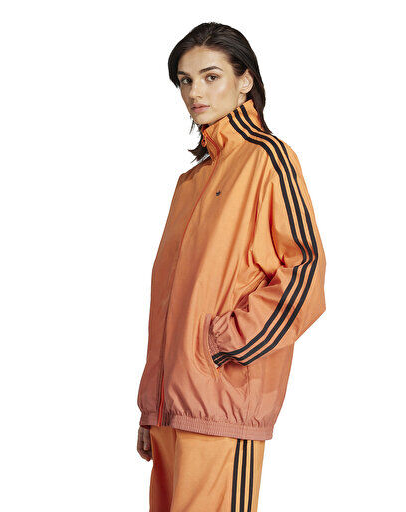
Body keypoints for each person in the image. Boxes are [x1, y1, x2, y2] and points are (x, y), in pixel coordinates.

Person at [136, 22, 327, 511]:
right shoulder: (192, 181)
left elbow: (304, 270)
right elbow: (173, 301)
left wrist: (228, 344)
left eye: (210, 76)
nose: (194, 93)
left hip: (223, 399)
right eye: (185, 80)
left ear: (245, 81)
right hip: (173, 410)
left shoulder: (268, 159)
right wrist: (153, 405)